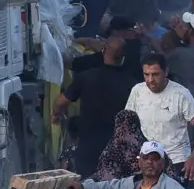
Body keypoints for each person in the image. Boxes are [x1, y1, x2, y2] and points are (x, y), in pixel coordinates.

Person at [56, 36, 140, 176]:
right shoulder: (132, 84)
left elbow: (61, 102)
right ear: (123, 57)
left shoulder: (86, 77)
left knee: (87, 187)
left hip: (88, 146)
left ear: (103, 51)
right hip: (118, 148)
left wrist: (56, 114)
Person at [125, 52, 194, 183]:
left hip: (176, 159)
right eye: (146, 75)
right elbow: (128, 122)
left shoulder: (181, 94)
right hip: (148, 161)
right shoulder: (137, 91)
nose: (150, 80)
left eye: (155, 74)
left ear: (166, 72)